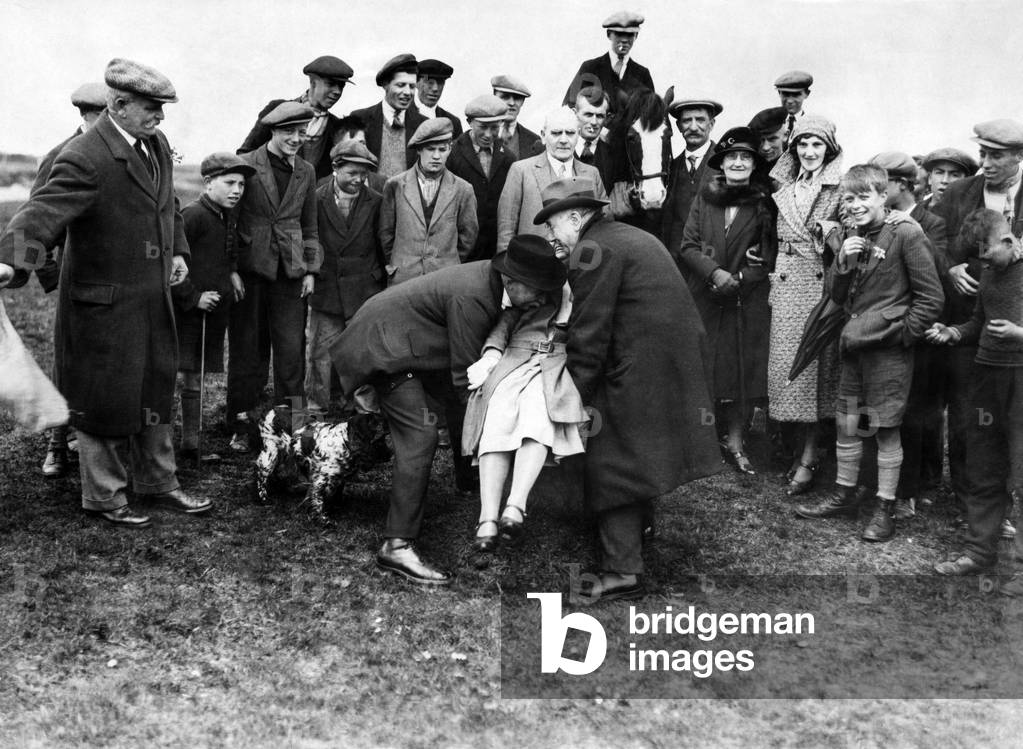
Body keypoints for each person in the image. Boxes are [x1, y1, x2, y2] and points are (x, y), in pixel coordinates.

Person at [0, 58, 210, 527]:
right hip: (103, 305)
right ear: (118, 104)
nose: (161, 116)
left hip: (152, 300)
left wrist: (176, 251)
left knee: (155, 387)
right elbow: (43, 213)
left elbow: (168, 205)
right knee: (105, 399)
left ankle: (159, 483)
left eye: (163, 108)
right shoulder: (84, 156)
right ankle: (105, 497)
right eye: (152, 107)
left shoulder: (155, 143)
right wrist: (11, 261)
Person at [539, 177, 722, 600]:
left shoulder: (591, 249)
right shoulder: (621, 235)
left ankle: (621, 571)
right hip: (667, 358)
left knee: (611, 458)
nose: (550, 237)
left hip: (645, 363)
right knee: (640, 452)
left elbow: (590, 332)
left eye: (551, 226)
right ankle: (640, 529)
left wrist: (573, 398)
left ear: (573, 217)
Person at [330, 257, 530, 585]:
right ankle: (397, 545)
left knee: (452, 403)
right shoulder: (474, 297)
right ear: (514, 282)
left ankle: (468, 480)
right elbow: (465, 377)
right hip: (384, 346)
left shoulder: (493, 284)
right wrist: (494, 427)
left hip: (407, 339)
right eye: (537, 290)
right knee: (421, 434)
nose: (539, 298)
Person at [794, 164, 943, 541]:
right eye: (849, 198)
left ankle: (885, 506)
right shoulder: (849, 232)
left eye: (864, 197)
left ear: (882, 196)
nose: (856, 205)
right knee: (849, 424)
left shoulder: (906, 234)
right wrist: (842, 259)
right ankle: (844, 493)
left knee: (885, 430)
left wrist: (901, 336)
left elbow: (931, 299)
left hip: (888, 352)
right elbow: (837, 295)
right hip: (853, 347)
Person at [461, 235, 586, 551]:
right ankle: (487, 518)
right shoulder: (516, 307)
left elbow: (581, 333)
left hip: (552, 367)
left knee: (538, 413)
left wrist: (567, 304)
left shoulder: (571, 300)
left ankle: (515, 506)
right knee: (497, 417)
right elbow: (499, 333)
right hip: (513, 363)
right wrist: (490, 357)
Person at [931, 119, 1023, 540]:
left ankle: (1007, 504)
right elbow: (933, 238)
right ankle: (973, 503)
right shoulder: (959, 193)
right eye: (982, 154)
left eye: (996, 156)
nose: (985, 163)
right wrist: (950, 266)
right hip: (970, 321)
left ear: (1018, 157)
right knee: (971, 413)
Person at [927, 209, 1022, 576]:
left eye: (986, 254)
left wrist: (1018, 335)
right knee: (984, 466)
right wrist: (953, 332)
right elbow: (977, 323)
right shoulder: (990, 274)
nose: (982, 262)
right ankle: (979, 553)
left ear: (1009, 241)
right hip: (986, 379)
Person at [678, 127, 776, 475]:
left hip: (744, 300)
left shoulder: (765, 203)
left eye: (745, 158)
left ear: (753, 164)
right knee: (704, 366)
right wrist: (715, 274)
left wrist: (739, 280)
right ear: (721, 163)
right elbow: (687, 245)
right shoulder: (705, 197)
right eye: (731, 157)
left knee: (740, 369)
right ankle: (702, 441)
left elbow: (768, 255)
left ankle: (736, 441)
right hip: (705, 295)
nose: (737, 162)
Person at [228, 101, 321, 451]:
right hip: (251, 272)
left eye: (301, 132)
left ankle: (294, 425)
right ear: (272, 132)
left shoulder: (307, 171)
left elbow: (310, 223)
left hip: (291, 273)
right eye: (288, 132)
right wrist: (232, 269)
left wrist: (310, 270)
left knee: (291, 352)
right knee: (248, 352)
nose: (296, 139)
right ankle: (242, 426)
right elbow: (232, 223)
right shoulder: (248, 164)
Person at [33, 81, 108, 479]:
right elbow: (40, 219)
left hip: (114, 279)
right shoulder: (61, 155)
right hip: (74, 277)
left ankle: (95, 440)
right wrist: (53, 279)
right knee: (69, 363)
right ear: (85, 115)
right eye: (102, 115)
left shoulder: (122, 153)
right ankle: (57, 445)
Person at [766, 116, 844, 496]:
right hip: (784, 286)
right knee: (787, 373)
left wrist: (829, 233)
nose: (809, 152)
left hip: (817, 287)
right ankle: (797, 448)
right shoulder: (785, 185)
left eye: (816, 145)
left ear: (828, 149)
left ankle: (810, 456)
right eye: (802, 145)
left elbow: (846, 243)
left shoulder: (839, 189)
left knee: (813, 373)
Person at [868, 151, 948, 513]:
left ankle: (907, 492)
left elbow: (939, 273)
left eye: (883, 183)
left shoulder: (931, 223)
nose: (877, 191)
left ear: (902, 184)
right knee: (882, 411)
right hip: (883, 331)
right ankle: (875, 483)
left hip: (915, 333)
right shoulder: (878, 221)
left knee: (913, 411)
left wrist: (909, 331)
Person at [174, 153, 254, 461]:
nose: (237, 190)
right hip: (188, 310)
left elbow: (227, 248)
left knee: (197, 372)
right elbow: (173, 265)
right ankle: (184, 444)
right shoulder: (193, 216)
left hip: (212, 311)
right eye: (229, 183)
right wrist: (194, 297)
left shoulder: (226, 214)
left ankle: (191, 445)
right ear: (208, 183)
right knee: (185, 374)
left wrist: (232, 270)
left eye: (241, 185)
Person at [305, 141, 384, 415]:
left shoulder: (377, 201)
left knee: (362, 353)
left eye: (364, 174)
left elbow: (382, 242)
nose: (359, 180)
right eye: (352, 173)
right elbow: (308, 238)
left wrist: (379, 280)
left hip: (364, 289)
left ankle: (366, 413)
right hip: (327, 290)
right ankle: (316, 409)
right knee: (320, 353)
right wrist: (308, 273)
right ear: (335, 168)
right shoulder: (315, 198)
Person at [379, 117, 478, 286]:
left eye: (442, 149)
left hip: (444, 279)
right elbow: (386, 232)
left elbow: (468, 236)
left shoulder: (463, 189)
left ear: (450, 149)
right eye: (430, 149)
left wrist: (447, 262)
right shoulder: (395, 185)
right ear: (419, 149)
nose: (437, 156)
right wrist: (399, 262)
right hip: (403, 278)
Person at [496, 107, 607, 254]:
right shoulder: (521, 171)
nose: (563, 140)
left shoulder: (592, 174)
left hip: (580, 268)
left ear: (578, 135)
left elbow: (604, 225)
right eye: (556, 133)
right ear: (543, 135)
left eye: (570, 133)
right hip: (534, 266)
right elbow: (506, 230)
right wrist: (508, 274)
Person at [238, 55, 355, 179]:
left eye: (341, 86)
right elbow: (245, 155)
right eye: (330, 84)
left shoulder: (336, 126)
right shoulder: (277, 109)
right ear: (313, 83)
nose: (337, 91)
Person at [445, 94, 515, 262]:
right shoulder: (451, 154)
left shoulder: (509, 158)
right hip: (459, 250)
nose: (488, 134)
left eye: (494, 128)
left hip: (494, 251)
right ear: (469, 122)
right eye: (482, 127)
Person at [349, 54, 428, 179]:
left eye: (412, 86)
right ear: (386, 85)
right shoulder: (360, 118)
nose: (408, 92)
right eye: (401, 85)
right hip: (370, 196)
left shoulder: (423, 125)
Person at [661, 97, 722, 252]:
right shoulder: (670, 168)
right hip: (676, 261)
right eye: (687, 121)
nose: (694, 127)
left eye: (700, 120)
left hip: (714, 260)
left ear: (712, 124)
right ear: (679, 126)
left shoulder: (725, 164)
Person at [562, 11, 654, 109]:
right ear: (609, 34)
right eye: (619, 34)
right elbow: (569, 106)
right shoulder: (590, 68)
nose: (624, 40)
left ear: (636, 36)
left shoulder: (642, 74)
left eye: (630, 34)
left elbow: (653, 111)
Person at [572, 83, 614, 193]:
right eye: (588, 115)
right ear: (575, 114)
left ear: (607, 118)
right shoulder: (559, 149)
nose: (594, 122)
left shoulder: (616, 156)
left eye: (600, 116)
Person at [491, 74, 541, 160]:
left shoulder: (534, 141)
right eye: (505, 97)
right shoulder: (478, 135)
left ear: (522, 102)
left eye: (517, 98)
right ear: (494, 99)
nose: (511, 103)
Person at [413, 58, 462, 137]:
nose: (435, 88)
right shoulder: (400, 116)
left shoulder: (453, 122)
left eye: (440, 82)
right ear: (415, 83)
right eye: (429, 82)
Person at [919, 147, 978, 211]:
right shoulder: (914, 210)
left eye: (954, 175)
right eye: (939, 173)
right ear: (930, 178)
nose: (945, 180)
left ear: (966, 181)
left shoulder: (971, 216)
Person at [747, 106, 788, 188]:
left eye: (772, 139)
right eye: (760, 140)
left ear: (785, 136)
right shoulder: (749, 168)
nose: (765, 147)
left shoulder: (797, 168)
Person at [774, 70, 813, 144]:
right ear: (779, 93)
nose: (790, 101)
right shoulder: (770, 122)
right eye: (785, 94)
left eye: (796, 95)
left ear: (807, 94)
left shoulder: (812, 125)